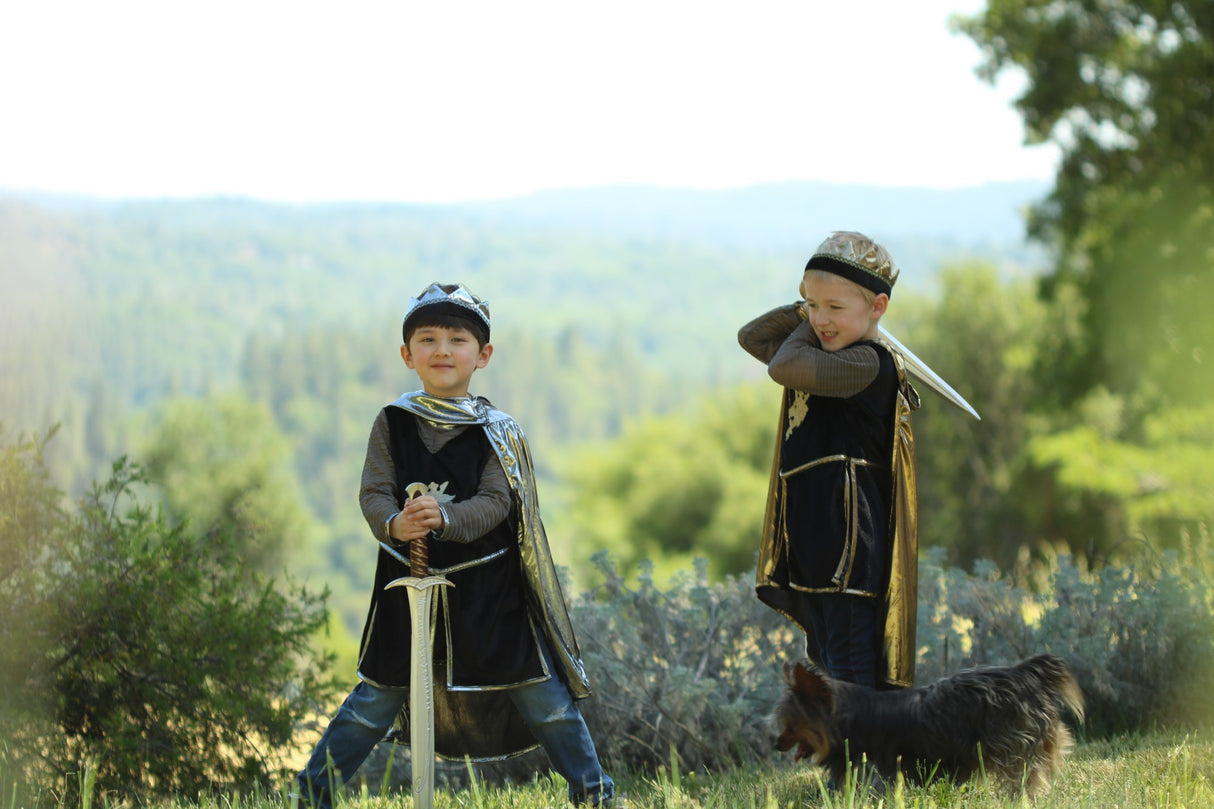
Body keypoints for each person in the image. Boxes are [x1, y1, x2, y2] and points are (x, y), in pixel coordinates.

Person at [295, 282, 616, 808]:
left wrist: (446, 517)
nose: (442, 350)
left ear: (482, 355)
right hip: (407, 588)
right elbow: (374, 492)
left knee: (545, 700)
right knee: (373, 702)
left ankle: (595, 794)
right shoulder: (393, 422)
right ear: (407, 354)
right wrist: (395, 524)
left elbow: (496, 502)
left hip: (491, 592)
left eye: (457, 340)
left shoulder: (498, 431)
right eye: (427, 339)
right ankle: (311, 796)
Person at [738, 231, 920, 690]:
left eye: (835, 307)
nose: (821, 319)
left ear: (878, 306)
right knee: (831, 678)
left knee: (852, 685)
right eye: (813, 304)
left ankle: (866, 743)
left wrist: (809, 320)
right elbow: (752, 338)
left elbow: (782, 366)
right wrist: (810, 310)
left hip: (848, 554)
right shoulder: (829, 353)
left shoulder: (866, 364)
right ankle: (852, 746)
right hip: (817, 547)